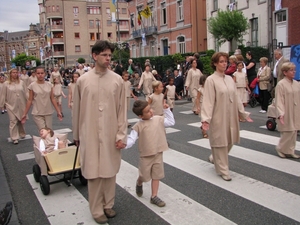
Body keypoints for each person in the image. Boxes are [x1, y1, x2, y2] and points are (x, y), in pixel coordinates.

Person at [72, 40, 127, 224]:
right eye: (104, 55)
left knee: (110, 170)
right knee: (94, 172)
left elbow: (122, 111)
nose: (108, 58)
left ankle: (108, 204)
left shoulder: (117, 80)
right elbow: (77, 110)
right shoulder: (82, 81)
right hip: (89, 132)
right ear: (95, 56)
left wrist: (121, 135)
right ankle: (96, 209)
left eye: (110, 55)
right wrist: (76, 136)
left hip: (111, 131)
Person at [201, 52, 253, 181]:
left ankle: (215, 158)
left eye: (225, 61)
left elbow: (236, 98)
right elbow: (208, 101)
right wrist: (206, 119)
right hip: (218, 115)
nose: (224, 64)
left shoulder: (230, 79)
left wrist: (243, 113)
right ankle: (223, 169)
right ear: (215, 64)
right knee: (220, 142)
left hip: (231, 115)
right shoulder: (211, 80)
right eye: (221, 61)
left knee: (230, 140)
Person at [125, 100, 175, 207]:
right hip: (146, 155)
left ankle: (154, 196)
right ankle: (139, 182)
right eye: (147, 111)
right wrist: (123, 144)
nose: (151, 112)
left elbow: (171, 122)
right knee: (144, 176)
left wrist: (166, 110)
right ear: (140, 116)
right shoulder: (138, 126)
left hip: (158, 153)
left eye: (150, 109)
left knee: (157, 175)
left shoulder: (158, 119)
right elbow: (131, 139)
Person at [21, 66, 62, 131]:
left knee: (49, 131)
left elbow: (52, 99)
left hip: (48, 111)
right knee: (43, 131)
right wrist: (25, 113)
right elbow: (30, 100)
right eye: (38, 73)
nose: (40, 75)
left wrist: (58, 111)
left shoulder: (49, 85)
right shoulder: (32, 85)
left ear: (45, 74)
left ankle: (47, 141)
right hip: (37, 112)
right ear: (35, 74)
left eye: (42, 73)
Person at [275, 62, 300, 159]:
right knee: (287, 131)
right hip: (287, 110)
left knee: (294, 131)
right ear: (285, 72)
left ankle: (290, 150)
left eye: (294, 70)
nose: (294, 72)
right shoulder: (281, 84)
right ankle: (280, 148)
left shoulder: (296, 83)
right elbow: (279, 100)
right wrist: (281, 113)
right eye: (291, 70)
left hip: (296, 110)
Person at [0, 69, 27, 145]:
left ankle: (22, 133)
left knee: (21, 119)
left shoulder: (21, 83)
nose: (15, 74)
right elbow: (3, 95)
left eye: (16, 72)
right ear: (10, 74)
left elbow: (26, 93)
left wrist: (29, 101)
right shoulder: (6, 84)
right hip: (10, 105)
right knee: (13, 121)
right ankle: (15, 137)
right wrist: (2, 105)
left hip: (21, 104)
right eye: (13, 73)